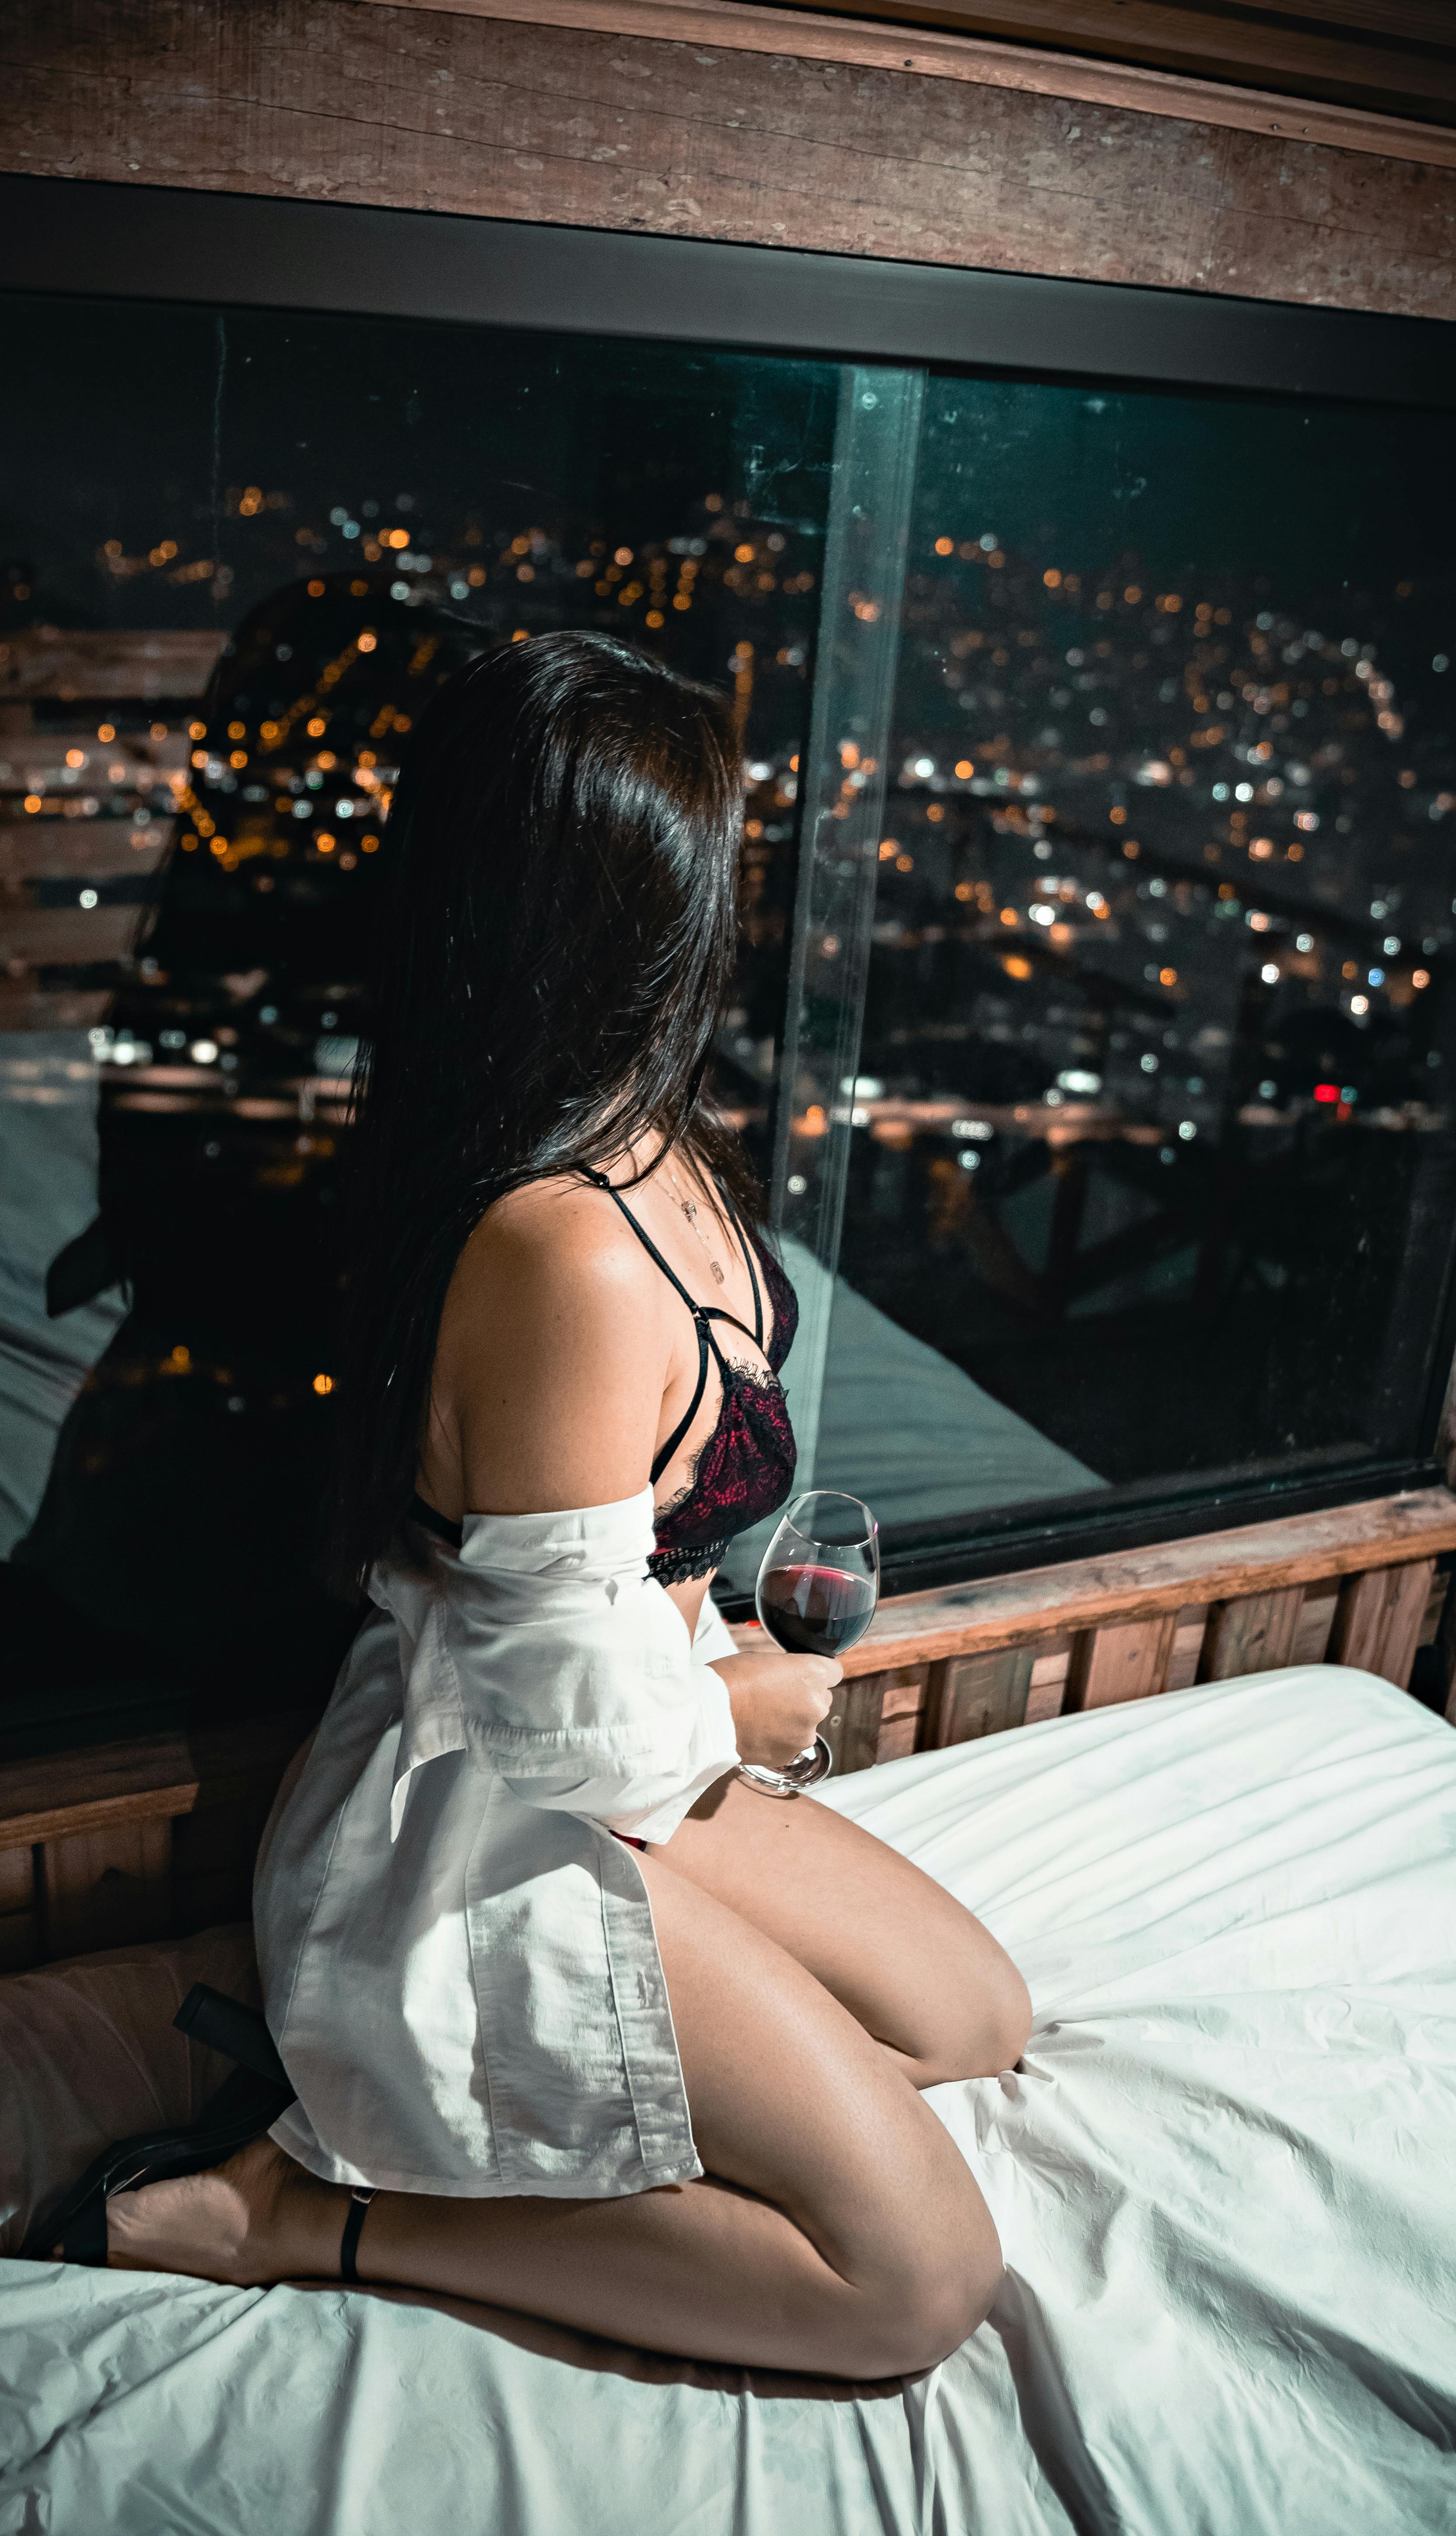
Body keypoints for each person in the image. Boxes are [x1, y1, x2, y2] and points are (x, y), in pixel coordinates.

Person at [54, 632, 1030, 2379]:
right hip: (498, 1807)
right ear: (636, 911)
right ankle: (301, 2213)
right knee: (914, 2283)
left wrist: (714, 1680)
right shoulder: (557, 1246)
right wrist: (747, 1697)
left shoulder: (656, 1138)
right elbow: (540, 1722)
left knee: (970, 2019)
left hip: (638, 1752)